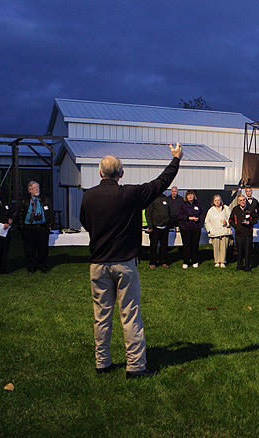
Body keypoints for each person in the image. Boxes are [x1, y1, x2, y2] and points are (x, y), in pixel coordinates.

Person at [79, 144, 181, 378]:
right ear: (121, 174)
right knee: (130, 314)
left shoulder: (88, 197)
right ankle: (135, 366)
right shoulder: (130, 194)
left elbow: (86, 223)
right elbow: (160, 183)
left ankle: (102, 362)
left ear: (100, 173)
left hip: (98, 263)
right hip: (125, 263)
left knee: (101, 315)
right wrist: (176, 159)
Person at [15, 181, 53, 273]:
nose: (36, 189)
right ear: (29, 190)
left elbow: (50, 213)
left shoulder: (45, 199)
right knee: (29, 248)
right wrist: (22, 228)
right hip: (29, 228)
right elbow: (19, 215)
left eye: (37, 187)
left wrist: (50, 225)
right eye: (34, 188)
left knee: (43, 248)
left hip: (42, 227)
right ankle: (31, 267)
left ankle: (42, 266)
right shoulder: (23, 201)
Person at [204, 194, 232, 268]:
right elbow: (207, 221)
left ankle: (222, 261)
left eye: (218, 200)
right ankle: (217, 261)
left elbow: (231, 218)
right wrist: (210, 230)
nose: (217, 202)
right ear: (213, 201)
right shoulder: (211, 210)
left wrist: (227, 222)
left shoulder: (225, 208)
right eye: (215, 200)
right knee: (216, 247)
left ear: (221, 201)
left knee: (223, 247)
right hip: (215, 232)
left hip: (224, 231)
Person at [144, 194, 171, 269]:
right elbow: (148, 213)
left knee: (164, 246)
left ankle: (163, 262)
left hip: (165, 226)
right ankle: (153, 262)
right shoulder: (152, 199)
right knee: (153, 246)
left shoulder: (166, 198)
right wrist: (150, 226)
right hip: (155, 227)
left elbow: (169, 211)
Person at [178, 190, 202, 269]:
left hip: (196, 227)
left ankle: (195, 261)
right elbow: (179, 216)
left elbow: (201, 213)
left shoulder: (197, 203)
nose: (190, 196)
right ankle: (186, 261)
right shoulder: (183, 205)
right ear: (186, 197)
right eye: (188, 195)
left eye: (191, 195)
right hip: (185, 228)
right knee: (186, 245)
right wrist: (189, 218)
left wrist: (198, 218)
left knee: (195, 244)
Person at [230, 194, 253, 271]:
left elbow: (256, 219)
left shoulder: (250, 209)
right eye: (241, 200)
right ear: (238, 202)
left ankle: (247, 266)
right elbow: (230, 220)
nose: (243, 202)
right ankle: (239, 265)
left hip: (248, 233)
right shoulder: (235, 209)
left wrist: (249, 222)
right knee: (239, 250)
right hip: (239, 233)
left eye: (244, 200)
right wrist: (236, 227)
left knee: (247, 250)